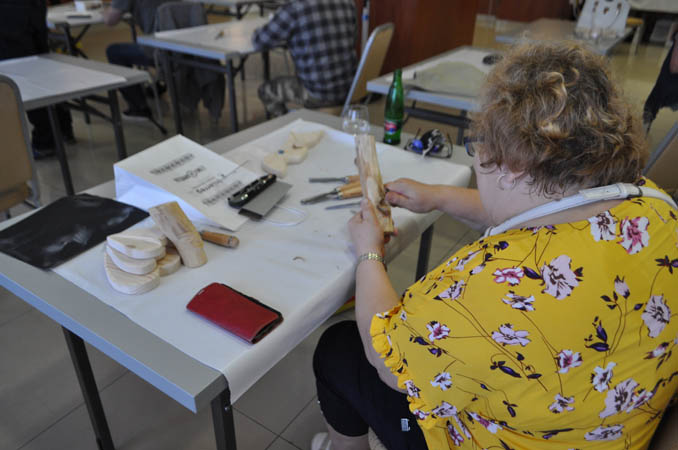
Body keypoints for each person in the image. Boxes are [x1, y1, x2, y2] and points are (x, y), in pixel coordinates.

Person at [312, 42, 678, 450]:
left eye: (477, 147)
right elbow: (542, 212)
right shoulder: (656, 208)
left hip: (503, 440)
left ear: (513, 167)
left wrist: (369, 253)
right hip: (609, 425)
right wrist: (439, 196)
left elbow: (388, 361)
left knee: (339, 350)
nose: (476, 159)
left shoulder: (495, 290)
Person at [252, 0, 357, 117]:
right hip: (351, 87)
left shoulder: (293, 8)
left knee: (265, 91)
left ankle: (287, 120)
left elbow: (259, 41)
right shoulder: (348, 3)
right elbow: (352, 38)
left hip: (318, 93)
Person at [0, 0, 74, 159]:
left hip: (9, 13)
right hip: (31, 6)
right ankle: (63, 129)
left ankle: (46, 141)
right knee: (43, 69)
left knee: (25, 75)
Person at [103, 0, 167, 120]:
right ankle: (158, 85)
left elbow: (110, 20)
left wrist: (105, 11)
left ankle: (139, 108)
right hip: (184, 45)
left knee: (113, 52)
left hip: (160, 49)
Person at [643, 27, 678, 133]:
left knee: (652, 104)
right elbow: (674, 66)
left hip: (669, 84)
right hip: (670, 81)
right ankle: (644, 127)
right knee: (652, 104)